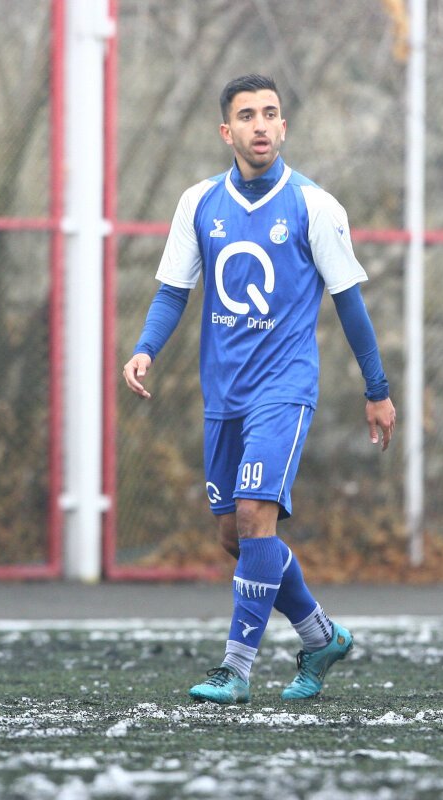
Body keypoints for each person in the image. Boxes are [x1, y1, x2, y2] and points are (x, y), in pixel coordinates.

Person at [122, 74, 396, 704]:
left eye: (270, 114)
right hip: (223, 395)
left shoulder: (315, 207)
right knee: (236, 537)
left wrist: (376, 389)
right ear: (228, 132)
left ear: (284, 126)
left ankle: (236, 669)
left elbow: (350, 304)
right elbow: (173, 291)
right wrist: (144, 349)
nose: (261, 125)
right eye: (247, 116)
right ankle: (321, 636)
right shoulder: (198, 203)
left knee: (253, 516)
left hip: (284, 388)